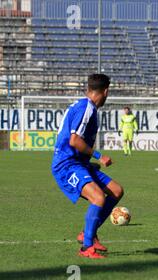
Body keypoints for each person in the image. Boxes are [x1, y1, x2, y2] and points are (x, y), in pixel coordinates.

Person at [51, 74, 124, 259]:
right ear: (105, 91)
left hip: (78, 163)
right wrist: (99, 156)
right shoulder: (86, 108)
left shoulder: (85, 106)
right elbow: (74, 140)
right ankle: (86, 247)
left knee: (116, 190)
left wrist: (87, 162)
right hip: (66, 165)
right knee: (98, 198)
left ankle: (87, 233)